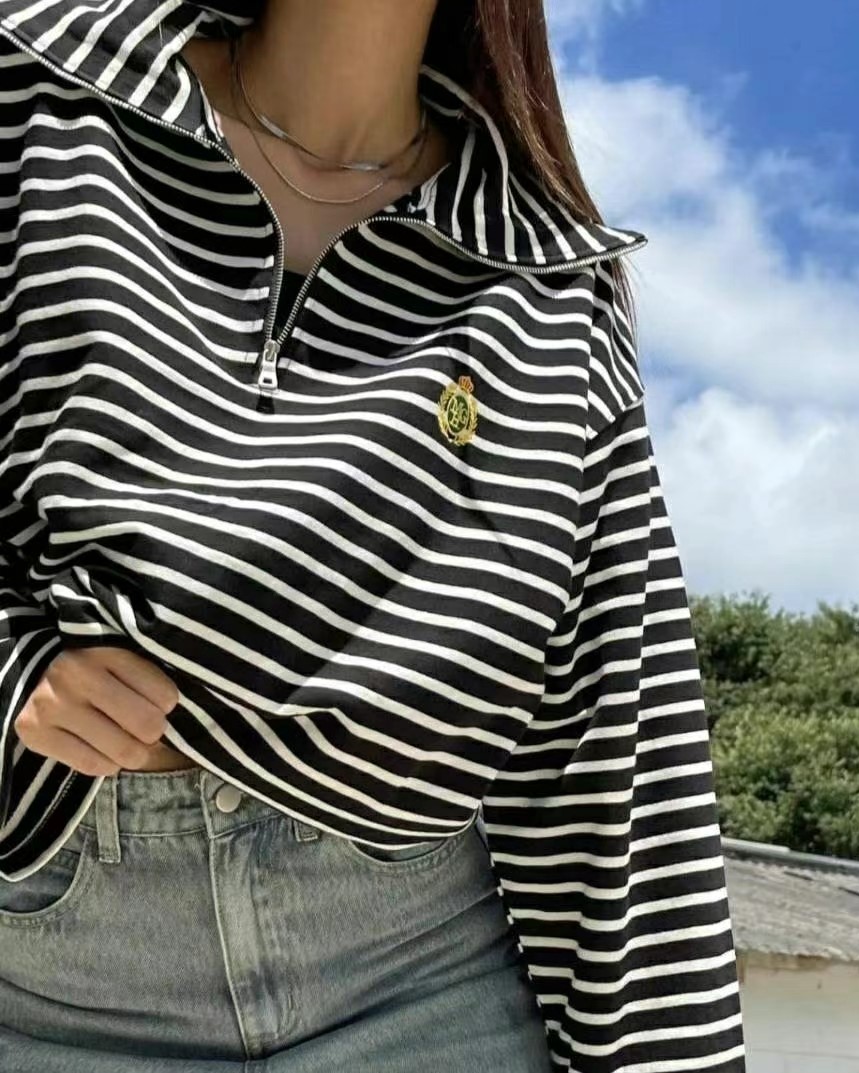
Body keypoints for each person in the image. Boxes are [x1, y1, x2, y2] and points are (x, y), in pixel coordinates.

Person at [0, 1, 745, 1070]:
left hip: (421, 975)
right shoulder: (51, 88)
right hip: (48, 969)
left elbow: (617, 739)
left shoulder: (550, 280)